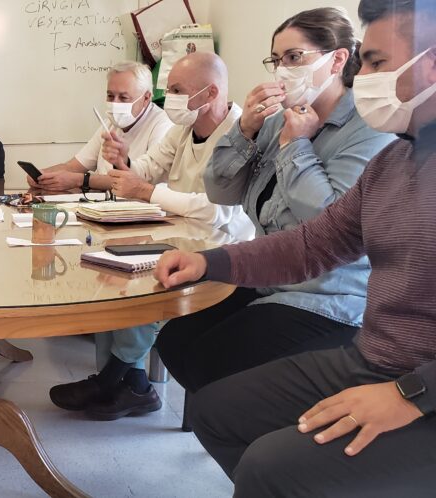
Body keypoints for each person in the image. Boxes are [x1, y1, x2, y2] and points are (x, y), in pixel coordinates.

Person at [156, 1, 436, 494]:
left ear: (430, 63)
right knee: (215, 413)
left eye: (375, 62)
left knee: (270, 466)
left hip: (417, 382)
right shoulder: (393, 162)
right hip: (375, 360)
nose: (362, 77)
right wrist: (207, 262)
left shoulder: (367, 142)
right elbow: (312, 243)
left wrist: (412, 393)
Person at [154, 7, 397, 395]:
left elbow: (329, 222)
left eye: (294, 57)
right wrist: (244, 130)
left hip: (329, 294)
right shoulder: (274, 121)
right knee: (174, 340)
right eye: (276, 59)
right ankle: (230, 417)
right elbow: (221, 191)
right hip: (271, 280)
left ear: (337, 59)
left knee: (212, 362)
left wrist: (295, 145)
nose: (282, 70)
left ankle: (240, 418)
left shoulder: (369, 130)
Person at [48, 52, 255, 420]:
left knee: (141, 282)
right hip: (178, 233)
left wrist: (146, 191)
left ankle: (113, 380)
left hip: (221, 247)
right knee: (108, 268)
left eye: (176, 90)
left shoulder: (240, 135)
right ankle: (133, 384)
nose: (168, 99)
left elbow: (219, 211)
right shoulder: (183, 129)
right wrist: (124, 161)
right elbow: (148, 168)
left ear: (210, 93)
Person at [31, 61, 172, 192]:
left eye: (123, 98)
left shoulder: (163, 125)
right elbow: (74, 166)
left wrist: (81, 180)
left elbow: (139, 181)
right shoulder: (110, 123)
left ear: (146, 98)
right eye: (110, 96)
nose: (115, 104)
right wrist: (42, 175)